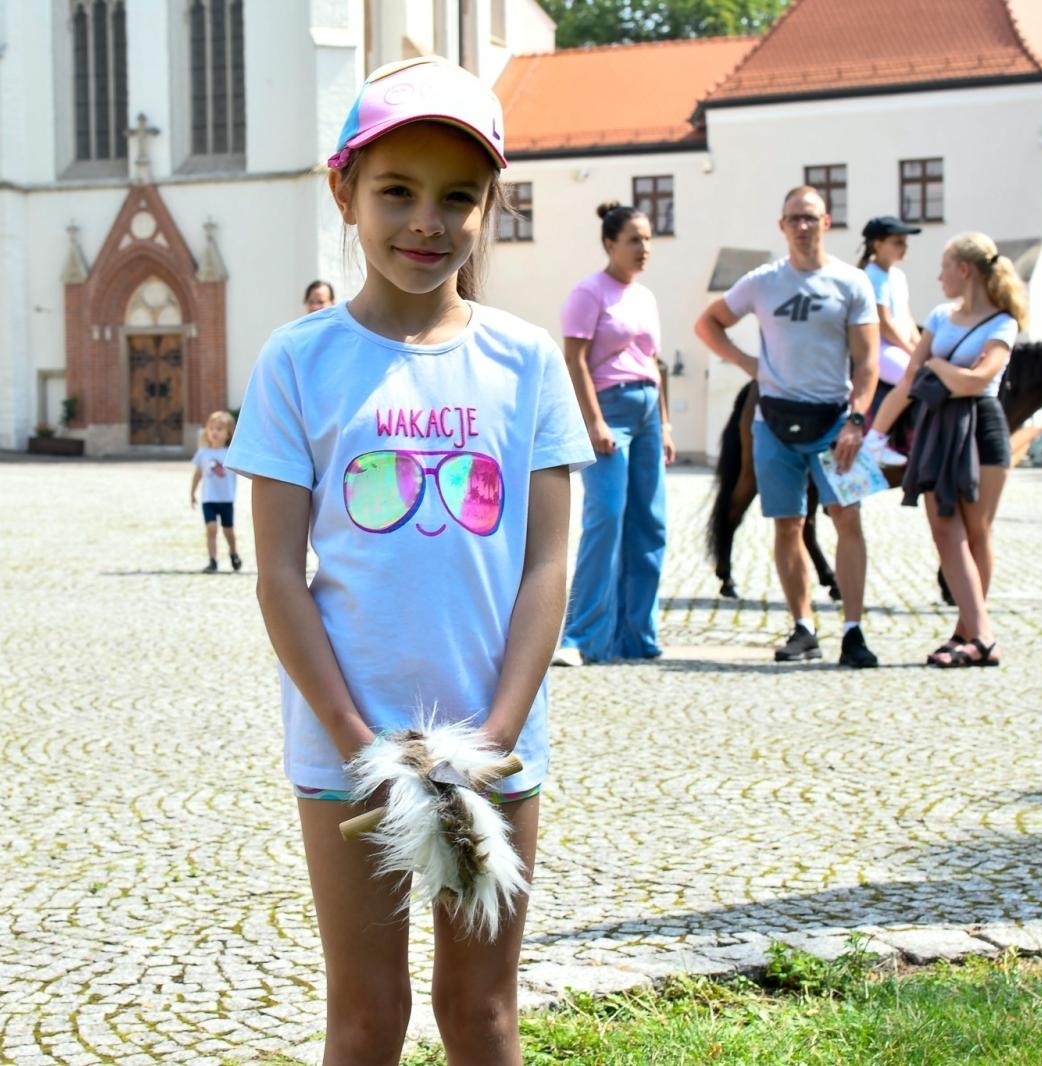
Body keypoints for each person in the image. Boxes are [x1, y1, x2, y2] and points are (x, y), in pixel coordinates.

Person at [225, 56, 592, 1065]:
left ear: (488, 208)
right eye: (396, 191)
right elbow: (277, 576)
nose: (425, 222)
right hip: (347, 753)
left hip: (495, 752)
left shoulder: (523, 364)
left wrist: (495, 737)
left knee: (480, 1012)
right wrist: (360, 747)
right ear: (342, 188)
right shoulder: (298, 361)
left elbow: (545, 567)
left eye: (457, 198)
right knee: (364, 1014)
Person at [694, 185, 881, 668]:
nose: (803, 226)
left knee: (847, 520)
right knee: (787, 523)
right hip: (773, 422)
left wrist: (857, 418)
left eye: (811, 218)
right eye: (794, 218)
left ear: (827, 223)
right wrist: (746, 363)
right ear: (782, 226)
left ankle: (853, 631)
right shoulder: (762, 282)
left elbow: (867, 361)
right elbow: (708, 323)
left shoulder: (851, 283)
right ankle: (803, 626)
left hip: (834, 422)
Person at [868, 232, 1027, 667]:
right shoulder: (940, 316)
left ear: (965, 270)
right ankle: (980, 635)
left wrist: (937, 366)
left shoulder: (1003, 322)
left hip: (983, 426)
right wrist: (873, 438)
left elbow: (976, 381)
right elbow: (907, 383)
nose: (938, 276)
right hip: (939, 427)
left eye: (944, 266)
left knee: (976, 531)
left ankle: (969, 634)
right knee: (944, 529)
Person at [552, 201, 673, 667]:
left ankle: (636, 637)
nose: (644, 248)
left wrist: (664, 423)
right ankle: (580, 638)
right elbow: (575, 359)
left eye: (647, 239)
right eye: (634, 240)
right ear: (610, 244)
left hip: (646, 412)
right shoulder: (590, 292)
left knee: (650, 524)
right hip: (610, 411)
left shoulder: (645, 297)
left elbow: (655, 364)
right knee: (606, 518)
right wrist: (594, 420)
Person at [859, 215, 921, 461]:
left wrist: (921, 347)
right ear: (878, 244)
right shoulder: (872, 276)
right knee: (915, 378)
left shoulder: (897, 276)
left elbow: (906, 318)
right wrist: (911, 350)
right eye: (897, 242)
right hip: (879, 348)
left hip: (898, 345)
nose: (903, 247)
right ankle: (877, 440)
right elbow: (884, 324)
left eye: (904, 242)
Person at [189, 410, 241, 572]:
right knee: (211, 528)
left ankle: (233, 552)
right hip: (209, 499)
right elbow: (198, 474)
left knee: (228, 530)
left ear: (228, 433)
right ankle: (212, 561)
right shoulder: (203, 453)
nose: (214, 432)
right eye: (211, 428)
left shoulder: (231, 453)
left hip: (226, 498)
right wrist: (192, 492)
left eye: (219, 429)